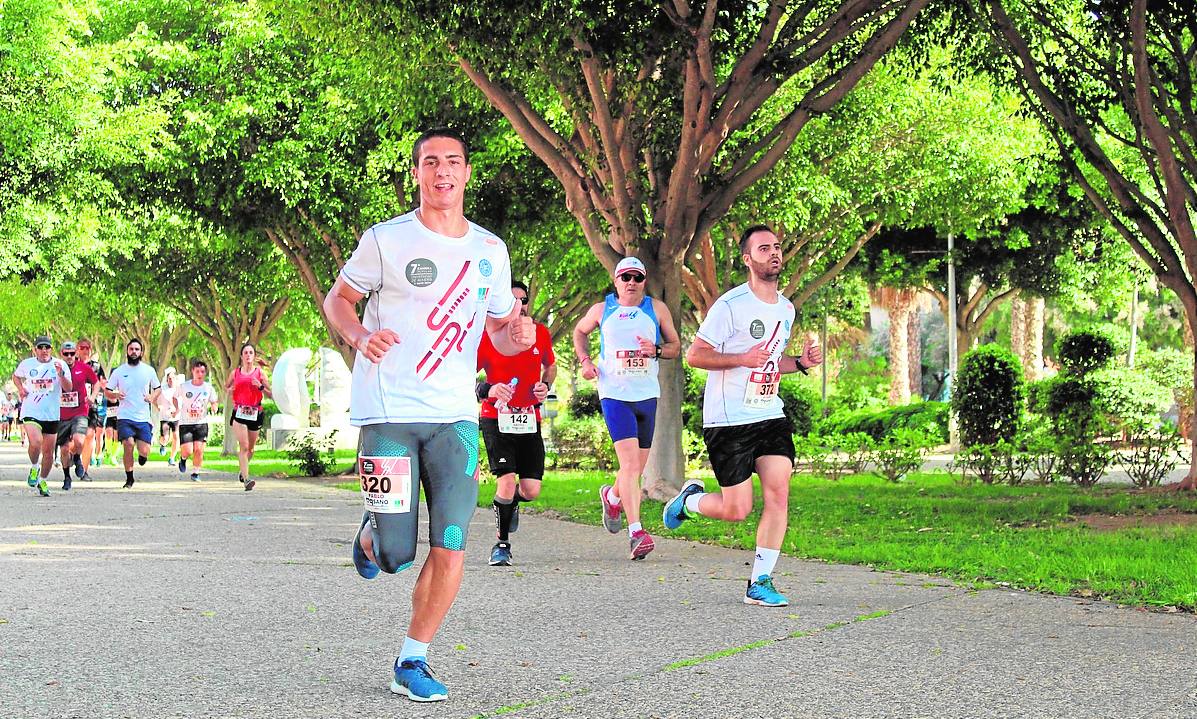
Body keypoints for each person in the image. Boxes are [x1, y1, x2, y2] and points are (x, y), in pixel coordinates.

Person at [323, 127, 534, 703]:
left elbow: (497, 333)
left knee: (451, 539)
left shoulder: (490, 251)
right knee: (395, 555)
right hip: (389, 411)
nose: (442, 171)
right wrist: (360, 335)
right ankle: (373, 538)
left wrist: (515, 337)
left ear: (467, 172)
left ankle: (412, 659)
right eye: (430, 162)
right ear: (416, 173)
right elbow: (337, 299)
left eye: (453, 161)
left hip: (455, 417)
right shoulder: (386, 240)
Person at [663, 225, 823, 607]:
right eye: (764, 248)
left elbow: (770, 361)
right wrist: (740, 358)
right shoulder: (730, 306)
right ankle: (688, 503)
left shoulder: (786, 308)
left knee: (778, 493)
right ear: (748, 260)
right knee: (737, 509)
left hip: (769, 413)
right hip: (728, 419)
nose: (774, 253)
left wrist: (799, 363)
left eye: (777, 247)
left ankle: (760, 581)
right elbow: (696, 355)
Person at [572, 256, 681, 560]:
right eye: (625, 277)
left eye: (637, 277)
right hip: (614, 394)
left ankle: (612, 495)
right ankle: (636, 533)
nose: (631, 283)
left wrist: (656, 350)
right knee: (631, 466)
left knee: (635, 468)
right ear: (616, 281)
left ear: (644, 281)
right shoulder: (602, 310)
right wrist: (585, 362)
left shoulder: (656, 309)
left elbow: (675, 346)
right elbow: (579, 332)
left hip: (646, 395)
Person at [476, 280, 557, 567]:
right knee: (507, 481)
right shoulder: (485, 336)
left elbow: (550, 366)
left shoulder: (540, 334)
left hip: (528, 418)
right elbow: (463, 378)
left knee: (531, 490)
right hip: (495, 417)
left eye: (523, 300)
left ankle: (510, 506)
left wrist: (544, 386)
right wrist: (490, 389)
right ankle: (501, 544)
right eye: (512, 300)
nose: (519, 306)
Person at [12, 335, 72, 496]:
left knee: (48, 452)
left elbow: (68, 388)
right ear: (35, 350)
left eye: (47, 347)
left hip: (51, 414)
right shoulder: (27, 364)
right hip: (31, 410)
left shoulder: (60, 365)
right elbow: (15, 376)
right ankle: (34, 467)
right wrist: (21, 389)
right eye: (40, 347)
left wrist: (61, 375)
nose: (44, 350)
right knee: (36, 441)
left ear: (51, 349)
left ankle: (43, 480)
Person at [104, 338, 161, 489]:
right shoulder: (119, 371)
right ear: (127, 352)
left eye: (137, 349)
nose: (134, 352)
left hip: (143, 418)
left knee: (144, 450)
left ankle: (143, 456)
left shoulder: (148, 370)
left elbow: (158, 388)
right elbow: (107, 391)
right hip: (125, 416)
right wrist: (116, 395)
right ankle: (129, 478)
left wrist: (152, 397)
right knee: (128, 444)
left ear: (141, 352)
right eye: (131, 349)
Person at [225, 344, 272, 491]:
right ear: (241, 356)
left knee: (251, 449)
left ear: (254, 356)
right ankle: (247, 480)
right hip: (239, 412)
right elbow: (226, 386)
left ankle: (242, 469)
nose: (248, 355)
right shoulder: (235, 373)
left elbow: (271, 394)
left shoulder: (260, 373)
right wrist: (229, 389)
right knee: (244, 446)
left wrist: (260, 386)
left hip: (255, 412)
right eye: (245, 352)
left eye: (251, 352)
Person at [55, 341, 101, 490]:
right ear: (61, 354)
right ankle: (67, 476)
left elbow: (97, 383)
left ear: (76, 354)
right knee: (63, 449)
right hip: (61, 414)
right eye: (66, 354)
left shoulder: (84, 368)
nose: (69, 356)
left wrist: (93, 397)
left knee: (79, 440)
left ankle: (76, 458)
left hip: (80, 410)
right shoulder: (55, 368)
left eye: (72, 354)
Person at [175, 360, 219, 482]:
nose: (200, 374)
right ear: (192, 371)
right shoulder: (184, 386)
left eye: (202, 372)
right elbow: (175, 397)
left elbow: (214, 400)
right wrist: (177, 408)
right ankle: (183, 459)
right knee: (188, 451)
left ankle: (195, 472)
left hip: (201, 423)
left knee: (199, 449)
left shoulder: (208, 387)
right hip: (186, 423)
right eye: (197, 371)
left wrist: (214, 407)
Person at [76, 339, 107, 475]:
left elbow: (102, 383)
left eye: (88, 348)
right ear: (77, 349)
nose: (85, 350)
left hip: (91, 407)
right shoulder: (71, 364)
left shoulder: (96, 367)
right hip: (73, 407)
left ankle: (84, 470)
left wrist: (104, 387)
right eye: (82, 347)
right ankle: (75, 456)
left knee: (89, 435)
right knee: (74, 441)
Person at [157, 367, 181, 465]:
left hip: (176, 417)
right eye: (169, 379)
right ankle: (162, 444)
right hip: (165, 417)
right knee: (165, 438)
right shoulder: (163, 389)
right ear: (167, 380)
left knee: (176, 437)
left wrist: (177, 411)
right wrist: (159, 407)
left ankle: (172, 458)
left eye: (172, 378)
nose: (171, 380)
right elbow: (155, 400)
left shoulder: (180, 389)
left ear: (175, 379)